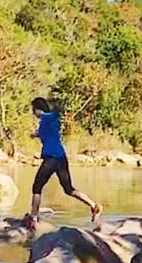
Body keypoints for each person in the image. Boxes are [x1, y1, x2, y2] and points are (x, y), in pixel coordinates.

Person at [24, 96, 101, 230]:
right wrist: (35, 135)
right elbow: (47, 133)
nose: (33, 113)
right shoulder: (46, 123)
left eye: (33, 110)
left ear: (38, 109)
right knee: (68, 189)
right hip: (60, 158)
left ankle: (33, 219)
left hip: (52, 158)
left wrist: (58, 106)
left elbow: (55, 114)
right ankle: (94, 206)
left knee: (37, 186)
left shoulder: (47, 117)